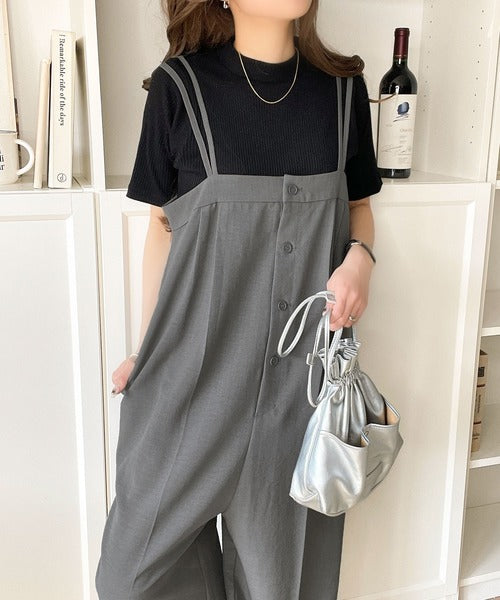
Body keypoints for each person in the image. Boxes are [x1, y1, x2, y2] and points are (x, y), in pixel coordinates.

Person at [95, 0, 382, 598]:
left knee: (281, 584)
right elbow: (162, 228)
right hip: (194, 377)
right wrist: (148, 349)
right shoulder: (179, 88)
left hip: (300, 393)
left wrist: (361, 259)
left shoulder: (342, 91)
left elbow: (358, 208)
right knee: (129, 578)